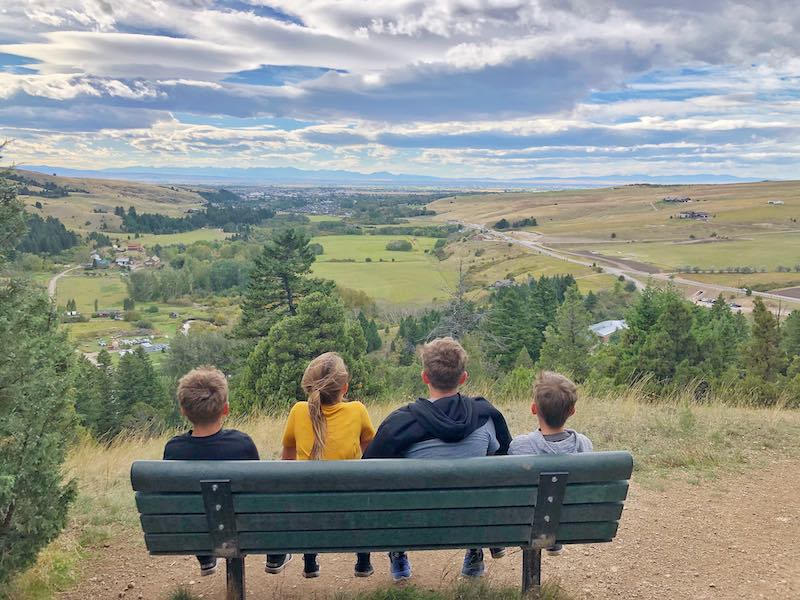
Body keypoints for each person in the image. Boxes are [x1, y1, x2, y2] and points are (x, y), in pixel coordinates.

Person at [363, 337, 512, 581]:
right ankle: (475, 548)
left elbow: (368, 473)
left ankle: (398, 551)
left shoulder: (399, 424)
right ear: (463, 377)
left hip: (414, 520)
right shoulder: (486, 416)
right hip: (470, 515)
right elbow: (503, 459)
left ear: (424, 377)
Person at [162, 366, 272, 577]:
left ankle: (205, 556)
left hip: (195, 529)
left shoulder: (173, 449)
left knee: (198, 510)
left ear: (183, 411)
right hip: (243, 527)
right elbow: (257, 491)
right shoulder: (242, 443)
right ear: (225, 409)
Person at [276, 352, 376, 578]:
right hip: (350, 499)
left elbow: (288, 455)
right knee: (362, 498)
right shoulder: (357, 410)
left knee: (308, 499)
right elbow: (371, 452)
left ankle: (310, 562)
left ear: (310, 387)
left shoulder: (298, 411)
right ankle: (363, 561)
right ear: (345, 388)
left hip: (310, 501)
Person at [509, 371, 593, 556]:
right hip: (569, 519)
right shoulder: (584, 444)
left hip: (526, 521)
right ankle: (554, 536)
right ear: (572, 411)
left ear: (533, 409)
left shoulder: (520, 446)